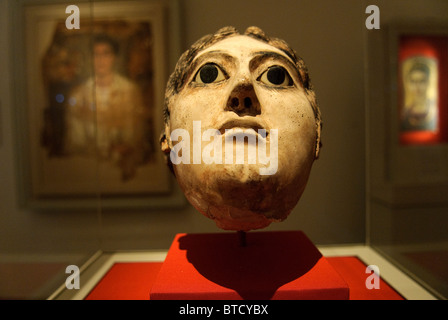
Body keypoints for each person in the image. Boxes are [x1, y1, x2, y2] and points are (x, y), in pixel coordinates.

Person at [66, 34, 147, 180]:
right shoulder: (78, 95)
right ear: (90, 58)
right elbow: (75, 140)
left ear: (114, 57)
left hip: (123, 170)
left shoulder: (130, 91)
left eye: (105, 54)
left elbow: (136, 135)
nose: (100, 60)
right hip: (89, 171)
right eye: (96, 55)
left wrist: (124, 149)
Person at [401, 60, 438, 132]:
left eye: (422, 81)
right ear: (408, 84)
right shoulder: (405, 113)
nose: (417, 86)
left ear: (428, 82)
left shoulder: (435, 109)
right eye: (413, 81)